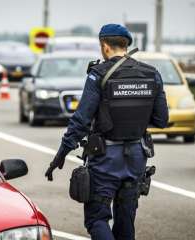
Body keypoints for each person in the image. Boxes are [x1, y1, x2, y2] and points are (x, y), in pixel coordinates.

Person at [44, 24, 168, 240]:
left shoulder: (98, 74)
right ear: (126, 44)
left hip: (106, 159)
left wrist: (61, 154)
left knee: (96, 219)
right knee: (125, 220)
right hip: (137, 157)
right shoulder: (152, 74)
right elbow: (161, 119)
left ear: (104, 46)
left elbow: (81, 120)